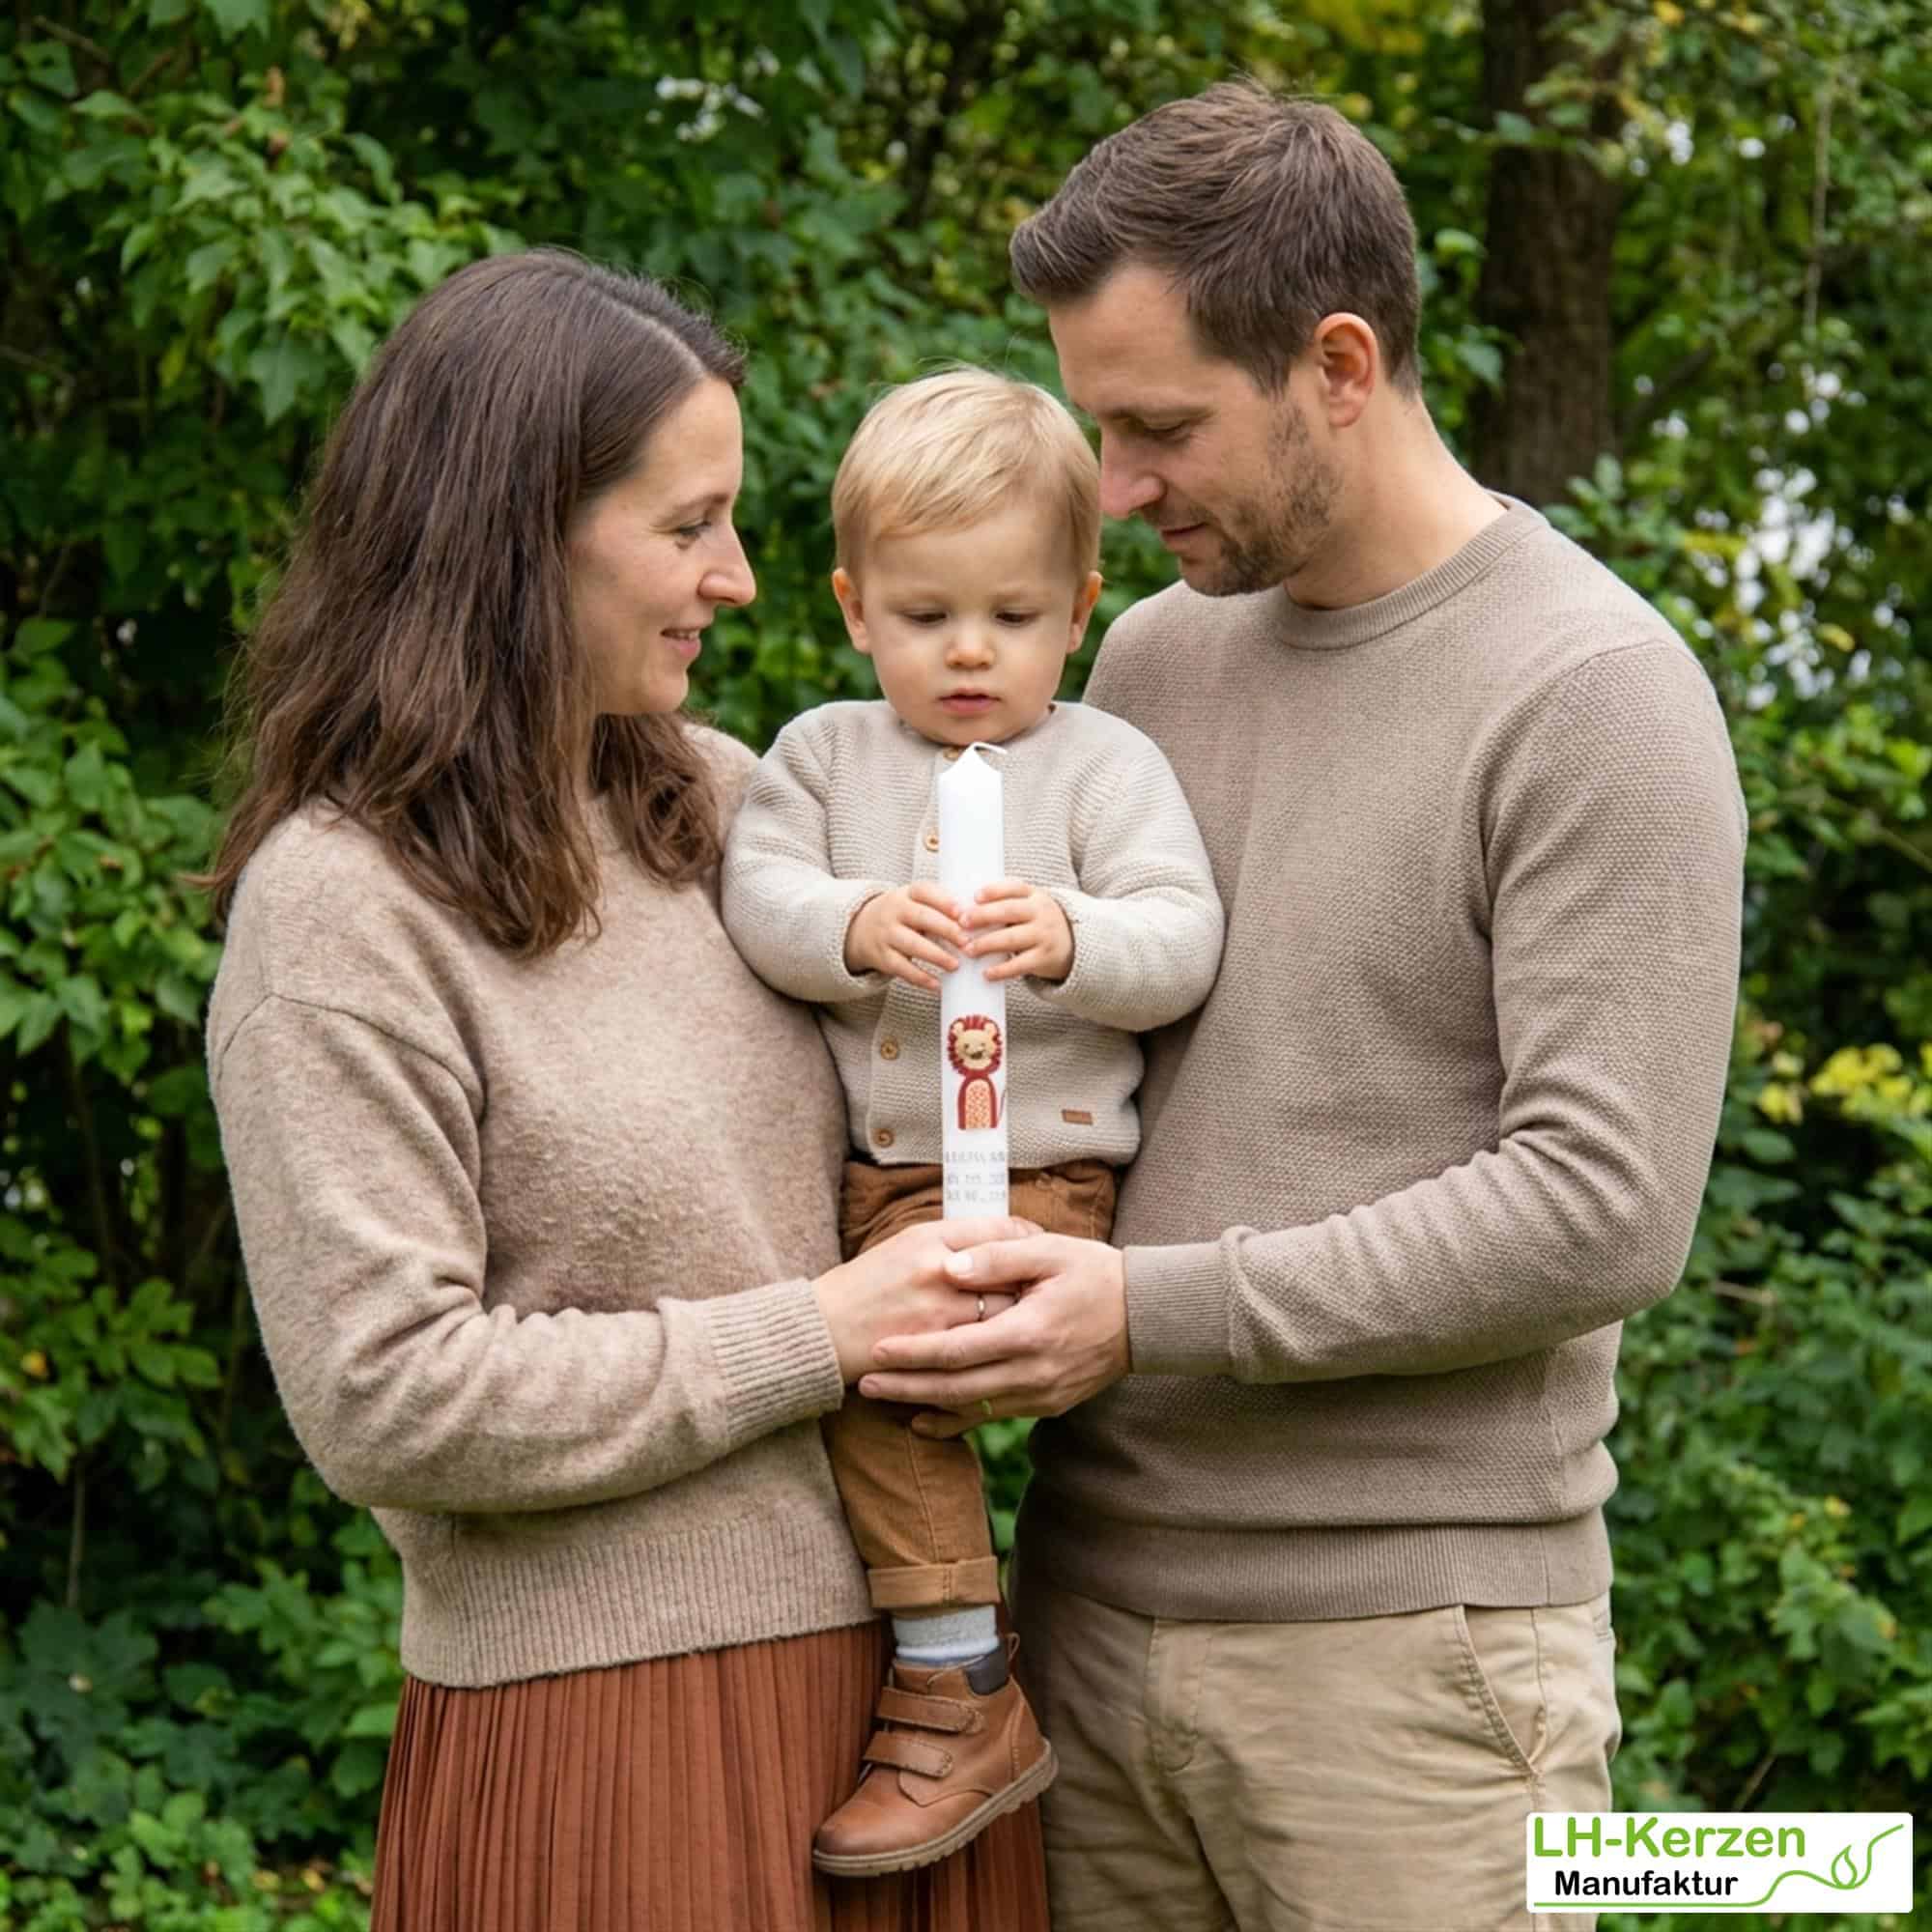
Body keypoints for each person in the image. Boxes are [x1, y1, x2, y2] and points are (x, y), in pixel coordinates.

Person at [857, 82, 1747, 1932]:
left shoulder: (1595, 694)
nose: (1111, 489)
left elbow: (1600, 1208)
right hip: (1087, 1629)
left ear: (1338, 363)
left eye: (1159, 425)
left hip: (1415, 1679)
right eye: (1100, 423)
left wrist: (1143, 1307)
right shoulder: (1152, 654)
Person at [201, 249, 1052, 1931]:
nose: (738, 579)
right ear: (515, 533)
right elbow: (386, 1393)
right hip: (609, 1741)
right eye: (688, 527)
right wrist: (824, 1331)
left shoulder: (737, 813)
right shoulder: (339, 910)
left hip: (919, 1713)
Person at [721, 368, 1224, 1877]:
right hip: (884, 1174)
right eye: (926, 614)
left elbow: (1183, 936)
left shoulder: (1103, 766)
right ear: (854, 605)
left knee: (923, 1359)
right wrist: (856, 922)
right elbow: (759, 902)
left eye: (1010, 617)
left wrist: (1069, 936)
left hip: (1051, 1165)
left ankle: (954, 1668)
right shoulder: (820, 758)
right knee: (869, 1380)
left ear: (1079, 610)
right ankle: (959, 1667)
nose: (967, 652)